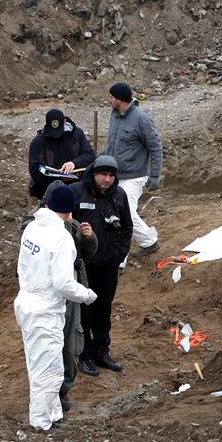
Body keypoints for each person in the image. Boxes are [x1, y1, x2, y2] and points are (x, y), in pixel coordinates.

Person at [14, 184, 97, 430]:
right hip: (45, 310)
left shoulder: (32, 227)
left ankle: (54, 414)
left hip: (27, 302)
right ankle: (40, 423)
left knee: (44, 364)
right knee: (47, 370)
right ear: (70, 210)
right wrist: (87, 295)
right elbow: (63, 283)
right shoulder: (61, 237)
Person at [70, 155, 133, 376]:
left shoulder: (119, 195)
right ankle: (85, 354)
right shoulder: (78, 192)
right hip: (84, 268)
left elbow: (127, 228)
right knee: (84, 311)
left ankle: (101, 350)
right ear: (94, 173)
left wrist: (120, 255)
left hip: (108, 264)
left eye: (111, 175)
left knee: (103, 308)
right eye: (103, 174)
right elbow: (67, 227)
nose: (107, 179)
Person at [104, 82, 162, 260]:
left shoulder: (141, 118)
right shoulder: (114, 116)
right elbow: (111, 145)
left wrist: (154, 174)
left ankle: (120, 260)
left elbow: (156, 146)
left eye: (111, 97)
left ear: (120, 100)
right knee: (116, 212)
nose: (109, 100)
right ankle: (149, 241)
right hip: (114, 174)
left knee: (124, 213)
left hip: (134, 176)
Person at [28, 109, 95, 199]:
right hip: (49, 190)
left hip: (78, 186)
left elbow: (90, 155)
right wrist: (57, 177)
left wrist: (74, 163)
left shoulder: (77, 134)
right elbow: (34, 169)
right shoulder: (39, 142)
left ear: (64, 122)